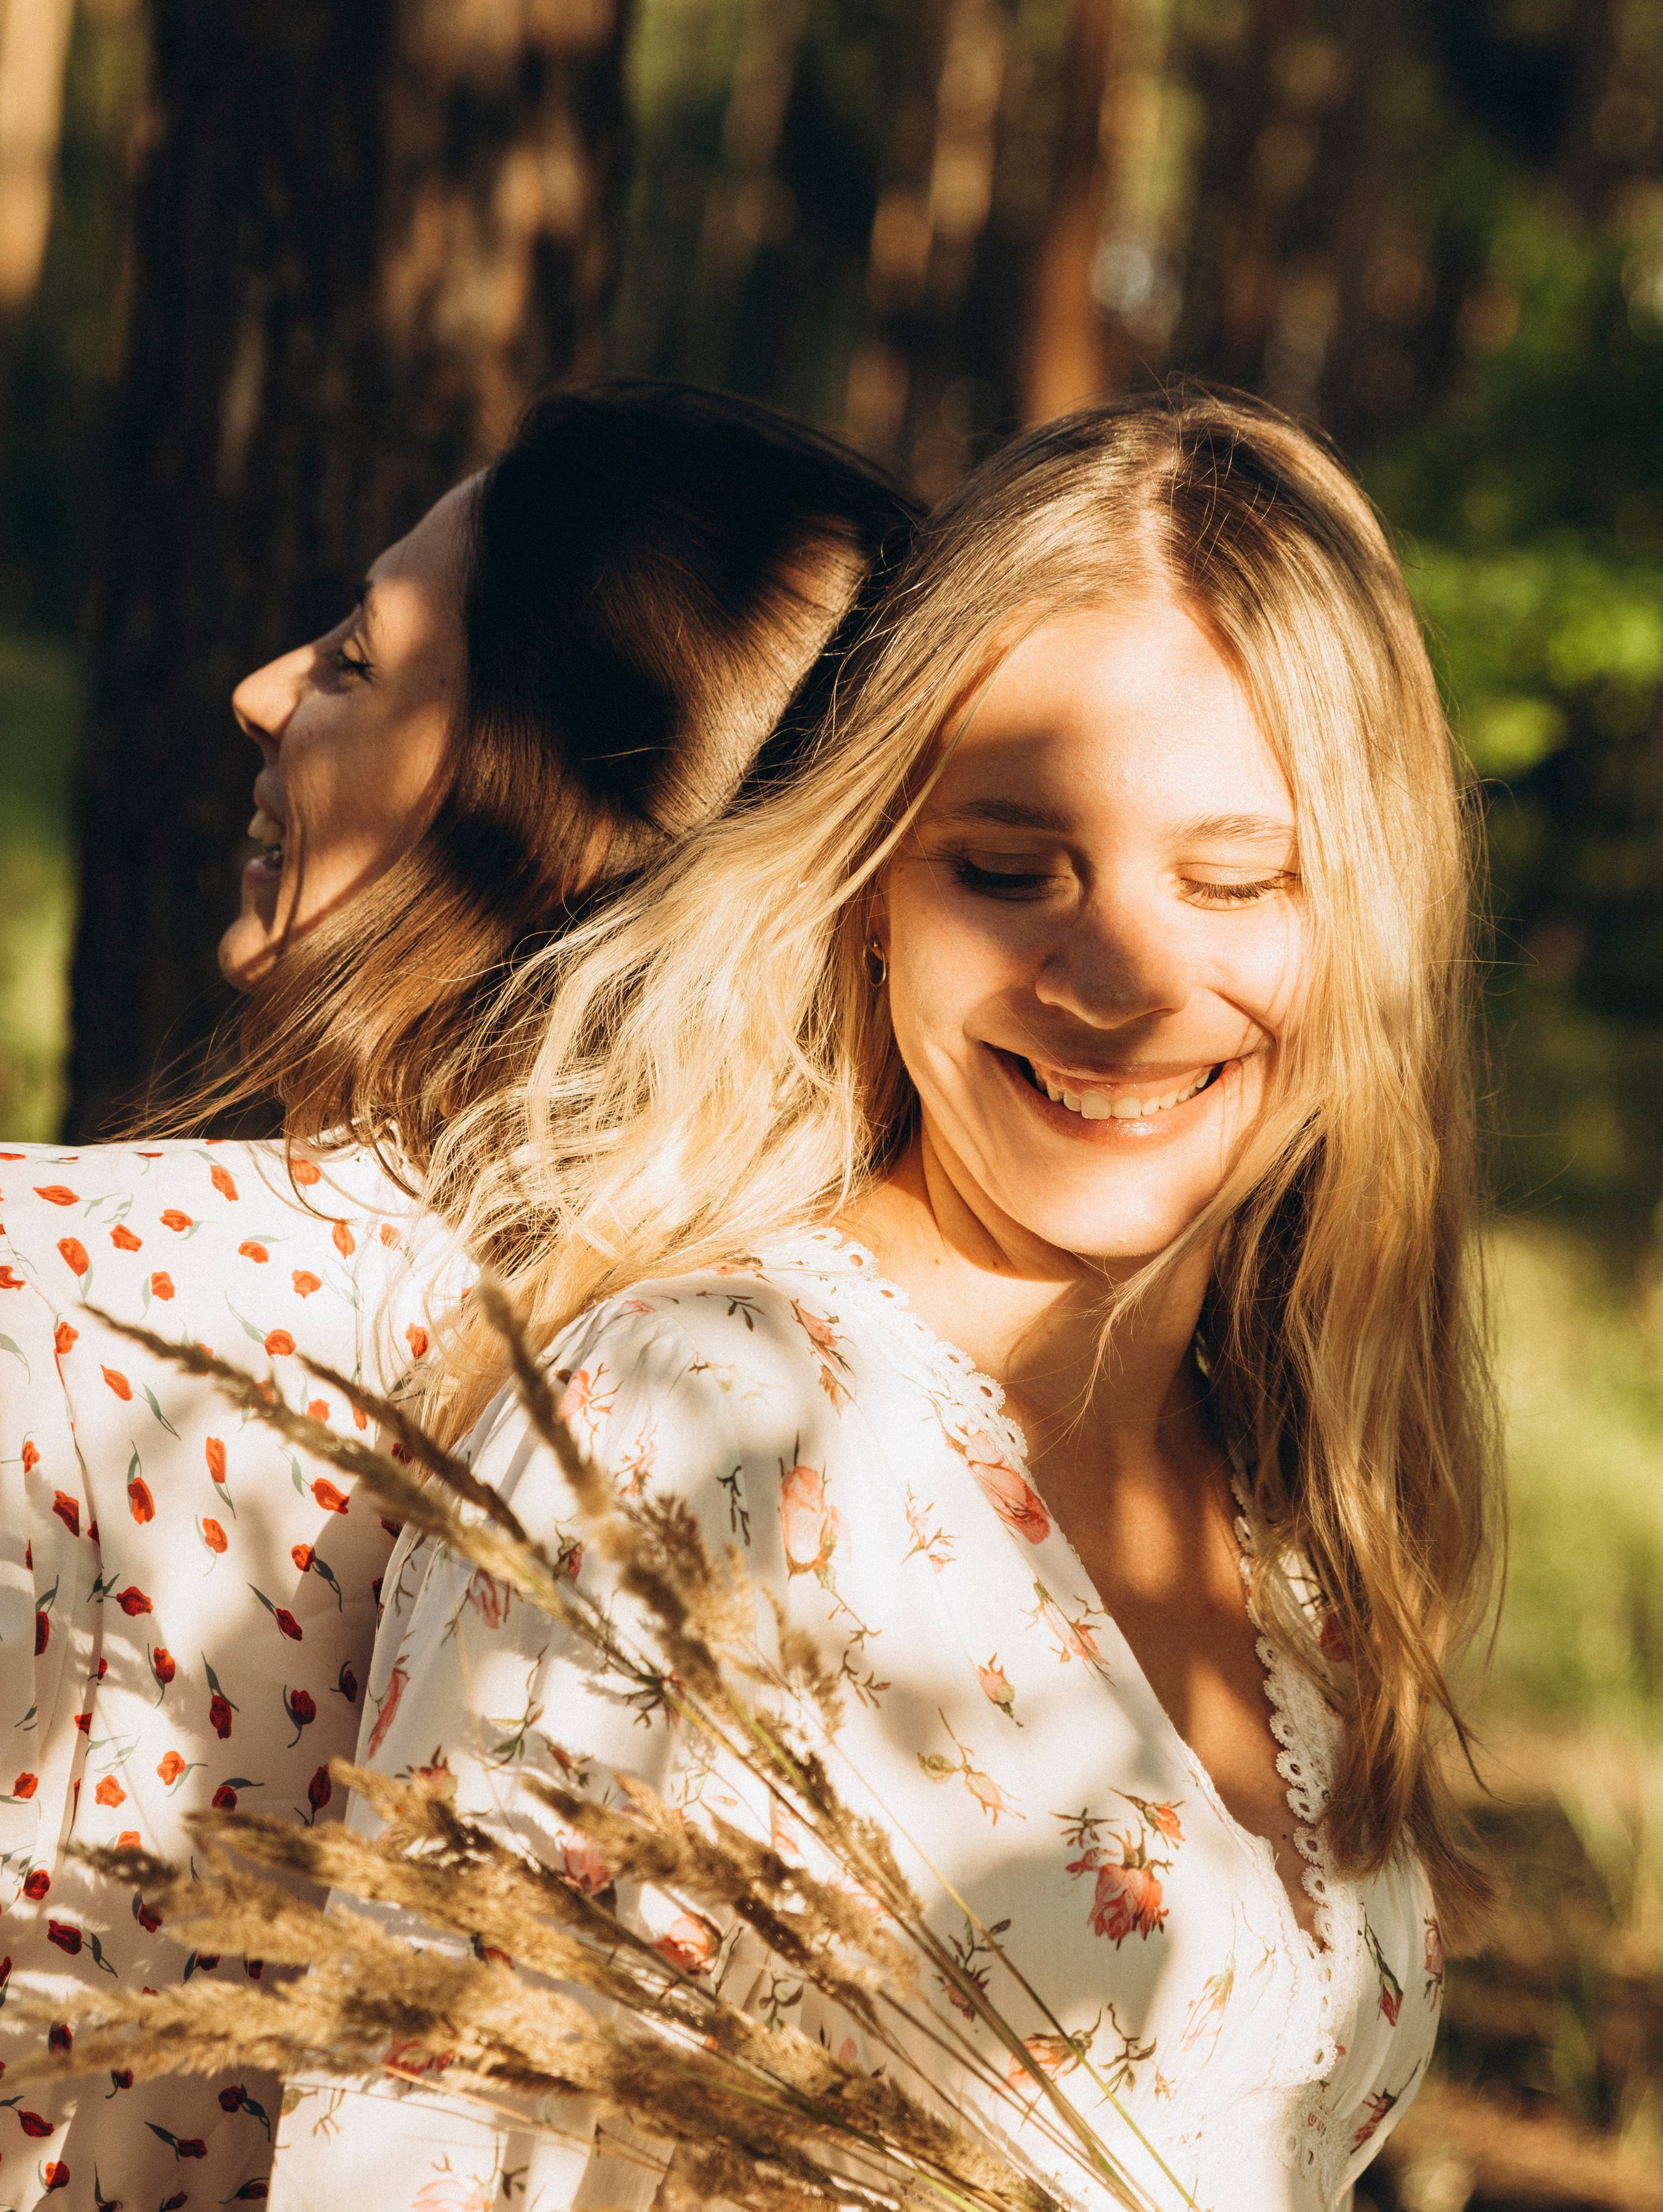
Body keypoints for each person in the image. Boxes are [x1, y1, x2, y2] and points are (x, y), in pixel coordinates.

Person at [272, 388, 1498, 2212]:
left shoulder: (1294, 1510)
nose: (1123, 981)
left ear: (1367, 933)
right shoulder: (701, 1416)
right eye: (1011, 871)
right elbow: (414, 2151)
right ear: (867, 892)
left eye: (1236, 881)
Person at [0, 381, 919, 2212]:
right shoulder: (832, 1436)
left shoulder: (63, 1299)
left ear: (544, 798)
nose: (265, 689)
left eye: (353, 656)